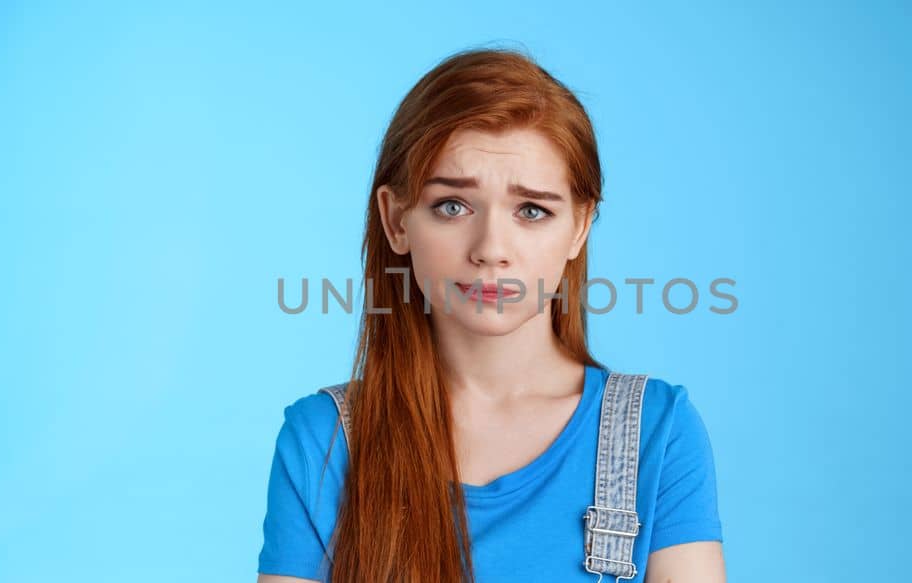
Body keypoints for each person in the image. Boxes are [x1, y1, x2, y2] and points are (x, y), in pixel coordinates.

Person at [257, 47, 726, 582]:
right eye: (452, 206)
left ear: (578, 227)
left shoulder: (657, 433)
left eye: (532, 210)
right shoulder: (323, 441)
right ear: (396, 220)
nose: (490, 248)